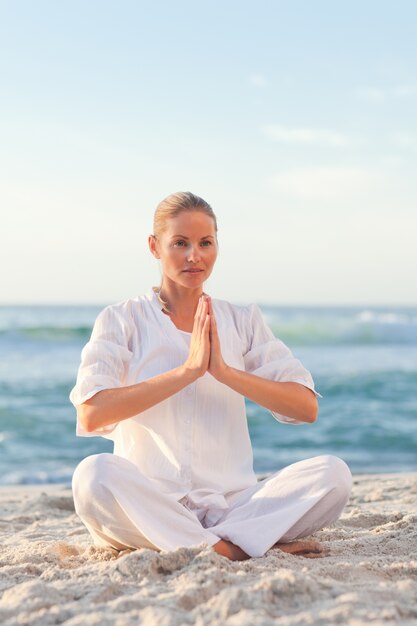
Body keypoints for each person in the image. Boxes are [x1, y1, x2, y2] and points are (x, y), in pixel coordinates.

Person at [70, 191, 352, 561]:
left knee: (334, 474)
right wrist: (187, 372)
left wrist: (224, 372)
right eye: (180, 243)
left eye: (205, 243)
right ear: (155, 247)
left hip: (232, 506)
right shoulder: (122, 320)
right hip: (151, 506)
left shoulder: (242, 321)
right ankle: (233, 548)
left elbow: (305, 407)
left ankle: (208, 543)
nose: (194, 256)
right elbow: (91, 413)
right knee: (93, 475)